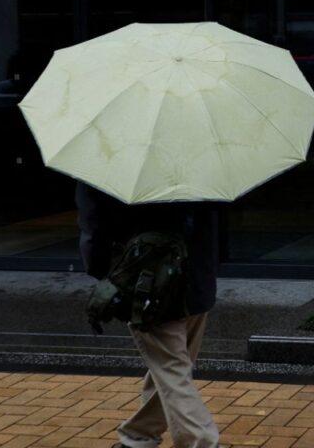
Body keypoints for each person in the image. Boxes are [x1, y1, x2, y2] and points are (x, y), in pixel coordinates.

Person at [75, 181, 221, 448]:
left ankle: (200, 442)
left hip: (146, 283)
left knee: (171, 368)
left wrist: (105, 274)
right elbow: (211, 218)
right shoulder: (195, 159)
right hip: (196, 279)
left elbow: (94, 229)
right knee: (172, 367)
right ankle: (138, 435)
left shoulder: (107, 164)